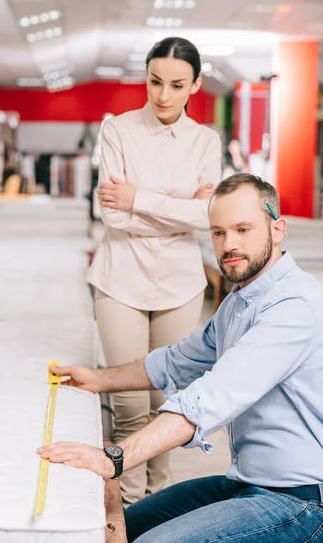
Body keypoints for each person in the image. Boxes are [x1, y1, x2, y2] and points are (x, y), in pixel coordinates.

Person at [39, 173, 323, 543]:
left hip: (306, 504)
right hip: (249, 486)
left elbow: (208, 399)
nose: (229, 244)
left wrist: (114, 458)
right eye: (218, 232)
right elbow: (176, 361)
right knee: (119, 524)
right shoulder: (238, 302)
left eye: (242, 229)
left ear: (278, 229)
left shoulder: (293, 306)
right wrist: (98, 379)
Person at [86, 37, 222, 505]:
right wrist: (182, 207)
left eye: (177, 85)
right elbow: (113, 216)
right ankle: (127, 508)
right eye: (155, 82)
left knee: (167, 405)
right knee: (127, 406)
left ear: (195, 85)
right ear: (145, 77)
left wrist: (139, 198)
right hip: (120, 278)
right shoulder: (118, 130)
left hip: (180, 284)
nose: (163, 95)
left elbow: (209, 216)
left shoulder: (206, 141)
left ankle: (155, 509)